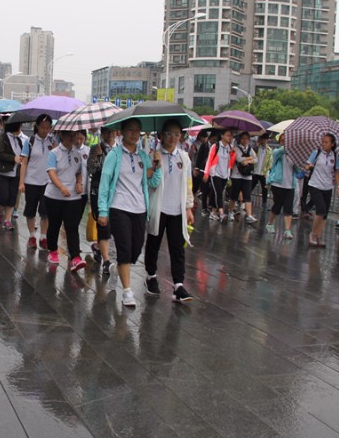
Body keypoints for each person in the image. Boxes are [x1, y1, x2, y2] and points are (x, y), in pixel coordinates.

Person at [97, 118, 162, 308]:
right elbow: (104, 183)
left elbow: (151, 182)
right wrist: (103, 210)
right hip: (119, 208)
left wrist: (156, 167)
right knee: (125, 249)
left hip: (140, 209)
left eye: (137, 131)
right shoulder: (114, 155)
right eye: (130, 130)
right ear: (122, 132)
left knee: (135, 251)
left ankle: (118, 269)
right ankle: (127, 292)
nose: (134, 134)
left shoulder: (143, 156)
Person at [144, 120, 194, 302]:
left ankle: (179, 284)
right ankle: (151, 275)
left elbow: (188, 184)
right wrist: (155, 165)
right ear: (162, 135)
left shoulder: (184, 157)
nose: (173, 138)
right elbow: (149, 182)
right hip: (159, 208)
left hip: (177, 210)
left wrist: (188, 207)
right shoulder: (153, 155)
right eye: (170, 134)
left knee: (177, 248)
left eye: (177, 134)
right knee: (153, 243)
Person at [44, 130, 86, 271]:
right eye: (69, 135)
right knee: (54, 225)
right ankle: (53, 250)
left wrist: (79, 183)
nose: (72, 138)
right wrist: (61, 187)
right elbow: (51, 172)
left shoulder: (77, 154)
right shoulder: (54, 153)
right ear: (61, 135)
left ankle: (75, 257)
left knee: (72, 227)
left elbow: (79, 172)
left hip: (73, 197)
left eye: (74, 135)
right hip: (54, 196)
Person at [19, 114, 56, 249]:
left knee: (45, 212)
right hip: (31, 181)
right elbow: (24, 163)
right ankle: (32, 236)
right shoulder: (30, 142)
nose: (45, 130)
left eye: (48, 128)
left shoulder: (52, 142)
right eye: (42, 127)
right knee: (31, 210)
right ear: (37, 127)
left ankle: (43, 237)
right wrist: (21, 182)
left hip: (47, 182)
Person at [87, 127, 117, 274]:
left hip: (116, 193)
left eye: (112, 131)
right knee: (103, 224)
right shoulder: (95, 148)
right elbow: (91, 170)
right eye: (107, 132)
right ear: (103, 133)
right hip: (98, 191)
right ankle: (106, 260)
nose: (110, 134)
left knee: (112, 226)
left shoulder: (119, 149)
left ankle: (98, 247)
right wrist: (98, 157)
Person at [304, 133, 339, 247]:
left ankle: (319, 235)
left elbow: (336, 172)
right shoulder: (317, 152)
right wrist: (310, 166)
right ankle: (313, 234)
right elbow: (306, 166)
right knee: (321, 210)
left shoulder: (335, 156)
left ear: (332, 144)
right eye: (323, 142)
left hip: (328, 187)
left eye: (326, 142)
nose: (324, 144)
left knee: (325, 214)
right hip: (315, 185)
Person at [265, 133, 297, 239]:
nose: (284, 141)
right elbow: (278, 153)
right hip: (278, 184)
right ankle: (270, 223)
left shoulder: (294, 155)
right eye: (283, 139)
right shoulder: (277, 152)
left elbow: (297, 169)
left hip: (290, 185)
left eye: (286, 139)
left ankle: (287, 230)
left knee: (288, 208)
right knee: (277, 206)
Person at [0, 121, 24, 230]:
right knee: (4, 197)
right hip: (3, 173)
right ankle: (0, 211)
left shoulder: (19, 140)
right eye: (20, 125)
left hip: (15, 174)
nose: (21, 127)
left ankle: (7, 220)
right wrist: (13, 158)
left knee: (12, 198)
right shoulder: (3, 139)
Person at [203, 129, 236, 223]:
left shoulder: (230, 148)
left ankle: (213, 213)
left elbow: (231, 163)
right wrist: (206, 173)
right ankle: (221, 213)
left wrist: (233, 153)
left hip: (225, 174)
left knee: (216, 193)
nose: (230, 137)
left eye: (231, 136)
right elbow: (209, 160)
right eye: (228, 135)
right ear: (222, 136)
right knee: (218, 193)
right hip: (215, 173)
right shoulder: (216, 146)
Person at [230, 131, 257, 223]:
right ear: (240, 139)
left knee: (247, 196)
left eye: (247, 138)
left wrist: (248, 161)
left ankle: (249, 215)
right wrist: (250, 158)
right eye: (243, 138)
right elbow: (238, 158)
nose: (245, 140)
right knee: (234, 195)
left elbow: (256, 159)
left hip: (247, 176)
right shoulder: (236, 148)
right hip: (236, 175)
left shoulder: (250, 149)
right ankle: (230, 212)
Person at [252, 133, 273, 209]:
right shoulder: (256, 148)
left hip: (263, 172)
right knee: (251, 186)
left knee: (265, 188)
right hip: (255, 171)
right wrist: (256, 146)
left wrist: (267, 171)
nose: (263, 141)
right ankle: (244, 200)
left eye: (264, 139)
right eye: (262, 139)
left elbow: (270, 162)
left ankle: (264, 203)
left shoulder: (269, 150)